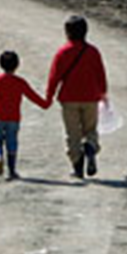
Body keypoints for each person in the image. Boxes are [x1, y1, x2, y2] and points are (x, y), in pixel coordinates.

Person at [44, 15, 108, 179]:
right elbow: (100, 74)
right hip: (91, 97)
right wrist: (103, 92)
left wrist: (49, 97)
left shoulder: (63, 53)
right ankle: (91, 147)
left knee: (73, 134)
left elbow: (54, 77)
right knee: (90, 129)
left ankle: (78, 168)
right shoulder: (93, 52)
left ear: (67, 32)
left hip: (69, 98)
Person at [0, 50, 50, 180]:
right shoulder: (20, 82)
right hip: (14, 118)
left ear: (0, 64)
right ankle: (12, 170)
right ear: (17, 65)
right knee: (12, 141)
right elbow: (32, 96)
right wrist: (45, 104)